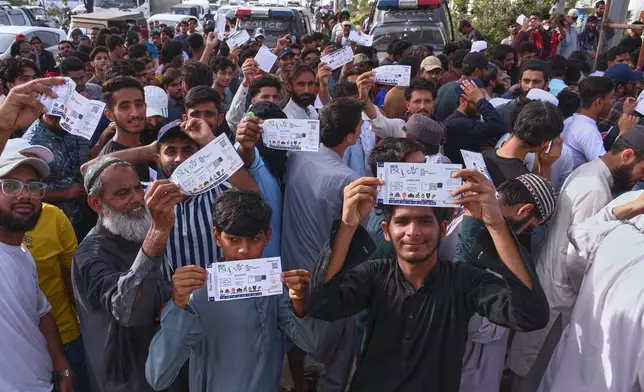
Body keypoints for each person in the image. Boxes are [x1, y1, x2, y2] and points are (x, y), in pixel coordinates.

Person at [307, 167, 549, 391]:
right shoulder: (374, 275)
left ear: (443, 230)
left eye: (424, 221)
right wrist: (348, 225)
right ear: (386, 231)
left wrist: (496, 224)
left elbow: (530, 315)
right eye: (402, 221)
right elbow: (322, 304)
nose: (413, 232)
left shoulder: (463, 281)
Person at [507, 127, 644, 389]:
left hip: (551, 286)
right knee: (532, 374)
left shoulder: (591, 172)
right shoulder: (596, 190)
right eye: (642, 169)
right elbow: (578, 252)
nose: (641, 178)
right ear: (627, 155)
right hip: (560, 297)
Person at [146, 189, 319, 391]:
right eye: (233, 240)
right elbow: (158, 376)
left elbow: (309, 342)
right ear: (217, 237)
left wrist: (299, 300)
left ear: (267, 237)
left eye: (254, 239)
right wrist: (178, 304)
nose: (244, 250)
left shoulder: (274, 288)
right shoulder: (199, 295)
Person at [73, 157, 180, 392]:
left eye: (137, 188)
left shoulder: (134, 232)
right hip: (126, 380)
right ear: (96, 203)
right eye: (122, 193)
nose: (137, 199)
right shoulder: (90, 254)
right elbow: (127, 310)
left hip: (159, 368)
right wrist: (157, 234)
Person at [282, 97, 365, 392]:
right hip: (326, 276)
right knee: (338, 351)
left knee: (297, 336)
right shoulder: (349, 181)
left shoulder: (300, 155)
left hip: (291, 265)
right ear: (351, 136)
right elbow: (357, 236)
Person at [1, 139, 91, 392]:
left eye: (33, 187)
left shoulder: (22, 254)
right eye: (10, 185)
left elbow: (42, 312)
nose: (25, 195)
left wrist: (62, 368)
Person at [538, 190, 644, 391]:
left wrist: (588, 291)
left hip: (567, 372)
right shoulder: (621, 232)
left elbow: (578, 239)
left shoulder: (617, 231)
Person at [22, 111, 93, 240]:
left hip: (78, 214)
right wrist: (65, 193)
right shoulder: (32, 144)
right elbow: (26, 192)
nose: (70, 122)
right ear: (49, 115)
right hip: (52, 225)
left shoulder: (66, 129)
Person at [484, 99, 564, 186]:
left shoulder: (481, 156)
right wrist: (546, 166)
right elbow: (542, 198)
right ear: (543, 144)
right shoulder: (524, 183)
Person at [99, 76, 152, 183]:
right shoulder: (108, 163)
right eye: (125, 107)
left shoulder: (146, 146)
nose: (135, 113)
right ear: (109, 115)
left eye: (139, 105)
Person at [443, 79, 506, 164]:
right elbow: (496, 125)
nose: (480, 106)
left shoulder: (470, 119)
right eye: (476, 101)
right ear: (462, 101)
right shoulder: (455, 123)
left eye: (483, 100)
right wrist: (480, 101)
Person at [561, 76, 614, 170]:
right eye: (611, 97)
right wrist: (622, 133)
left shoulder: (569, 121)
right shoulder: (588, 131)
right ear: (599, 102)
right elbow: (606, 169)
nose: (613, 101)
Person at [435, 52, 491, 121]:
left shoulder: (444, 87)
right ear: (477, 71)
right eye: (486, 70)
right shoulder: (470, 94)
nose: (488, 73)